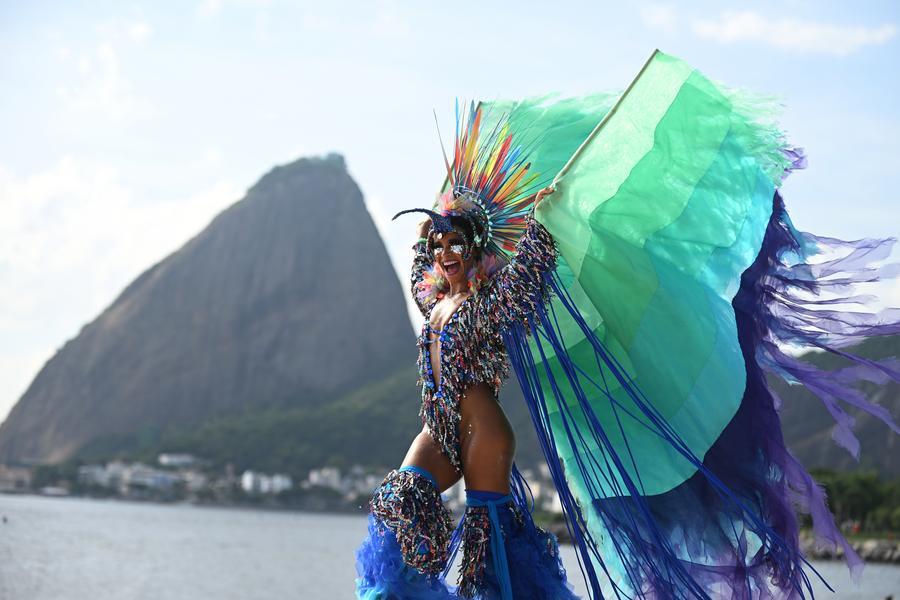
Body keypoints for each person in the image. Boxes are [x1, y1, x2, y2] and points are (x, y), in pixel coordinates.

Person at [356, 49, 899, 599]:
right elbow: (419, 266)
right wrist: (441, 209)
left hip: (482, 435)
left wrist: (546, 223)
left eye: (457, 243)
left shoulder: (493, 302)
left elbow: (531, 276)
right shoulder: (432, 299)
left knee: (488, 557)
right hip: (438, 430)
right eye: (439, 243)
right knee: (397, 507)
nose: (445, 253)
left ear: (478, 249)